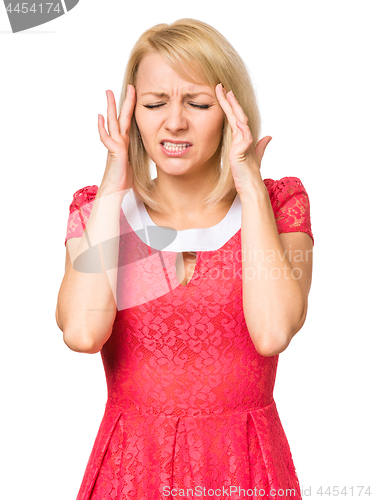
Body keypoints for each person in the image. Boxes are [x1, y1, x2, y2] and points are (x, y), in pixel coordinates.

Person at [56, 18, 314, 500]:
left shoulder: (279, 205)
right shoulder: (99, 210)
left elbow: (273, 332)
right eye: (154, 104)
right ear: (133, 112)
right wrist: (115, 181)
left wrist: (250, 190)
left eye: (197, 103)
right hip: (132, 471)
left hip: (245, 467)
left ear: (230, 109)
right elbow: (83, 333)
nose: (174, 122)